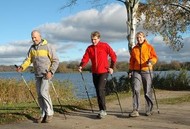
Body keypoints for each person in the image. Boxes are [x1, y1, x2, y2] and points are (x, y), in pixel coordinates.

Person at [16, 30, 59, 123]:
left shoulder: (48, 46)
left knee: (44, 93)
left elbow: (56, 60)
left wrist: (51, 72)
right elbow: (28, 60)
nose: (33, 39)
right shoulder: (32, 48)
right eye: (32, 38)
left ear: (40, 36)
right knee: (39, 95)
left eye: (35, 37)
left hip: (46, 74)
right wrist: (22, 67)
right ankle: (43, 114)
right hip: (37, 74)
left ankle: (50, 113)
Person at [78, 31, 117, 119]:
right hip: (95, 72)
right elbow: (85, 58)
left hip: (104, 71)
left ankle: (103, 110)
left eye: (95, 39)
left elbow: (113, 56)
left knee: (100, 89)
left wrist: (112, 67)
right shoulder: (89, 48)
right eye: (92, 39)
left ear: (99, 38)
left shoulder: (105, 46)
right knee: (98, 91)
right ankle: (101, 109)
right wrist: (81, 66)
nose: (93, 41)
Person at [128, 31, 158, 117]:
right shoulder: (134, 49)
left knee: (147, 90)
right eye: (137, 38)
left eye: (140, 37)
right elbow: (132, 61)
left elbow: (154, 57)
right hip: (136, 71)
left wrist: (151, 62)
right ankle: (135, 110)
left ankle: (149, 109)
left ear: (144, 38)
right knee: (135, 89)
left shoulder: (149, 47)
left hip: (147, 70)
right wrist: (130, 71)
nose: (139, 39)